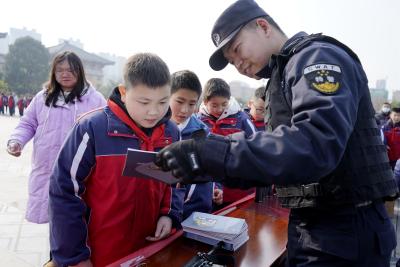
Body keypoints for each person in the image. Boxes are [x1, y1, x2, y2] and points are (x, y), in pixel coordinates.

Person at [155, 0, 399, 266]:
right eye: (231, 61)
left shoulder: (317, 58)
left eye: (237, 50)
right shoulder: (280, 78)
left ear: (262, 26)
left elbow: (315, 143)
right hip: (314, 226)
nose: (238, 65)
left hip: (345, 229)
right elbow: (277, 160)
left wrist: (212, 153)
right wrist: (200, 167)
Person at [49, 53, 182, 267]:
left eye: (163, 102)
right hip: (100, 253)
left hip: (149, 249)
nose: (154, 111)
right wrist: (75, 258)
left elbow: (175, 182)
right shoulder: (92, 129)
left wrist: (169, 215)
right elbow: (64, 193)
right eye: (144, 101)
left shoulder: (171, 133)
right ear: (123, 92)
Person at [6, 51, 106, 224]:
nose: (65, 74)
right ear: (53, 72)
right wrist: (17, 141)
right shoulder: (42, 98)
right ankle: (55, 250)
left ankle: (63, 250)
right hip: (46, 167)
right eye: (60, 70)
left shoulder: (95, 100)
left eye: (70, 69)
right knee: (50, 217)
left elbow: (105, 130)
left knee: (73, 220)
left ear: (80, 71)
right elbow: (27, 123)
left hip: (79, 169)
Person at [169, 70, 223, 220]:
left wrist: (217, 187)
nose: (185, 110)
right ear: (167, 96)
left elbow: (214, 165)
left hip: (199, 211)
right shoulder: (158, 130)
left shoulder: (203, 131)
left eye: (192, 104)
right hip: (166, 214)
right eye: (179, 102)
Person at [198, 77, 256, 205]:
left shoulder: (242, 119)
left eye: (224, 104)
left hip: (238, 188)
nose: (220, 109)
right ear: (205, 101)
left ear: (229, 100)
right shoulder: (198, 121)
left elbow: (255, 146)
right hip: (210, 189)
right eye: (214, 105)